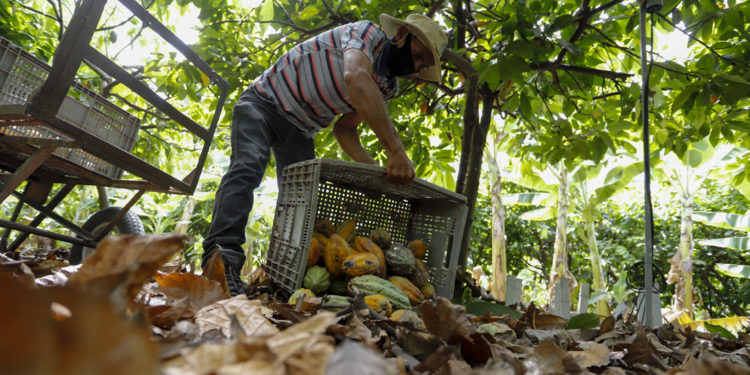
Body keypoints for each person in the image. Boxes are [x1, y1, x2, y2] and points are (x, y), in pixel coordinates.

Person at [202, 14, 448, 296]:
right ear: (402, 33)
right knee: (248, 167)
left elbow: (344, 130)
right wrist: (396, 151)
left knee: (301, 203)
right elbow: (355, 77)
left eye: (422, 65)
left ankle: (284, 277)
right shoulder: (367, 34)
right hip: (265, 101)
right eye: (417, 55)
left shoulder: (387, 86)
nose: (416, 66)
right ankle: (221, 264)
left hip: (301, 129)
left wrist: (372, 172)